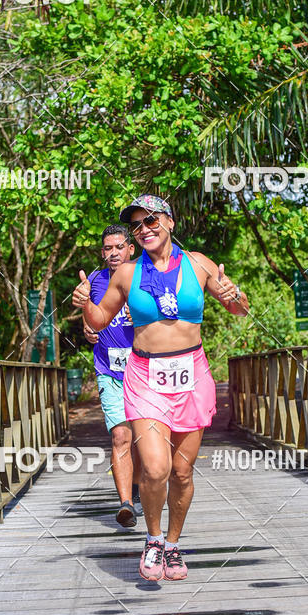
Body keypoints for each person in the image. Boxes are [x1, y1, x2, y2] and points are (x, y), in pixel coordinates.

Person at [72, 194, 249, 582]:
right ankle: (152, 538)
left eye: (151, 221)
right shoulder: (126, 274)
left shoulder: (198, 264)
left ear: (169, 222)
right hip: (145, 378)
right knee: (155, 468)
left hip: (191, 376)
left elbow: (239, 309)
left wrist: (236, 294)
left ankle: (172, 545)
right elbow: (100, 321)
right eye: (136, 225)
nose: (144, 229)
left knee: (182, 473)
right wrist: (86, 302)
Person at [84, 224, 142, 528]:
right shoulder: (94, 281)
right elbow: (91, 317)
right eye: (107, 248)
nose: (113, 253)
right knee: (121, 436)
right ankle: (126, 505)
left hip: (146, 370)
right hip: (110, 371)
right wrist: (87, 326)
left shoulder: (145, 276)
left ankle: (138, 487)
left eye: (119, 247)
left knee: (145, 441)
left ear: (130, 249)